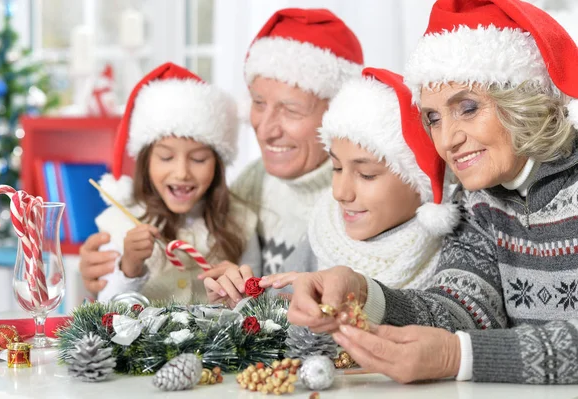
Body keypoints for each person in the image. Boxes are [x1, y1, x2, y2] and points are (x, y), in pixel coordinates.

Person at [287, 0, 578, 385]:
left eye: (468, 108)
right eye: (434, 118)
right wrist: (364, 294)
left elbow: (460, 347)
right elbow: (464, 308)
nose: (448, 139)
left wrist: (457, 356)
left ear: (522, 98)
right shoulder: (478, 200)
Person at [79, 8, 364, 296]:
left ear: (336, 113)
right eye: (258, 103)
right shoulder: (254, 183)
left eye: (290, 110)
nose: (264, 130)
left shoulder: (358, 202)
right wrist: (111, 273)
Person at [205, 68, 459, 306]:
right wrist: (242, 297)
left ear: (421, 181)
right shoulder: (325, 229)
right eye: (336, 168)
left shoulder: (456, 250)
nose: (340, 192)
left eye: (366, 174)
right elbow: (274, 308)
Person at [94, 62, 258, 303]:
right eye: (166, 157)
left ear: (217, 164)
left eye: (199, 159)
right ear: (146, 161)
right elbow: (102, 313)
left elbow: (259, 311)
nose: (181, 173)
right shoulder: (118, 222)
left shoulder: (242, 222)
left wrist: (242, 293)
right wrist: (129, 267)